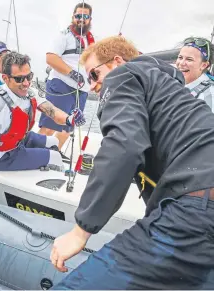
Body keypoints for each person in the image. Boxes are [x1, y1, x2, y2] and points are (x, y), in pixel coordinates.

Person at [50, 36, 214, 289]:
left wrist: (81, 231)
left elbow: (124, 145)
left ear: (116, 62)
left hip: (196, 207)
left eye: (94, 74)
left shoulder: (123, 75)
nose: (93, 86)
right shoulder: (171, 92)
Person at [0, 52, 86, 201]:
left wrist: (69, 119)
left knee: (54, 142)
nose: (26, 83)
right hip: (2, 156)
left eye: (29, 76)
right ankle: (56, 191)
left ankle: (46, 164)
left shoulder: (29, 94)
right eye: (19, 79)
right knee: (55, 156)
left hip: (18, 139)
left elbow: (52, 112)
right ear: (6, 79)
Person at [38, 2, 95, 150]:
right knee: (50, 125)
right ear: (73, 17)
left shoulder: (92, 41)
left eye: (85, 16)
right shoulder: (64, 36)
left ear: (89, 19)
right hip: (61, 86)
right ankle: (35, 152)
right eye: (78, 16)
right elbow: (50, 58)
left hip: (81, 91)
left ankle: (53, 154)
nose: (81, 19)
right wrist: (72, 73)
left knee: (68, 127)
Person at [176, 36, 214, 111]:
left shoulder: (209, 96)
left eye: (189, 59)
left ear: (204, 65)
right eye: (180, 57)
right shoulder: (174, 82)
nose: (181, 63)